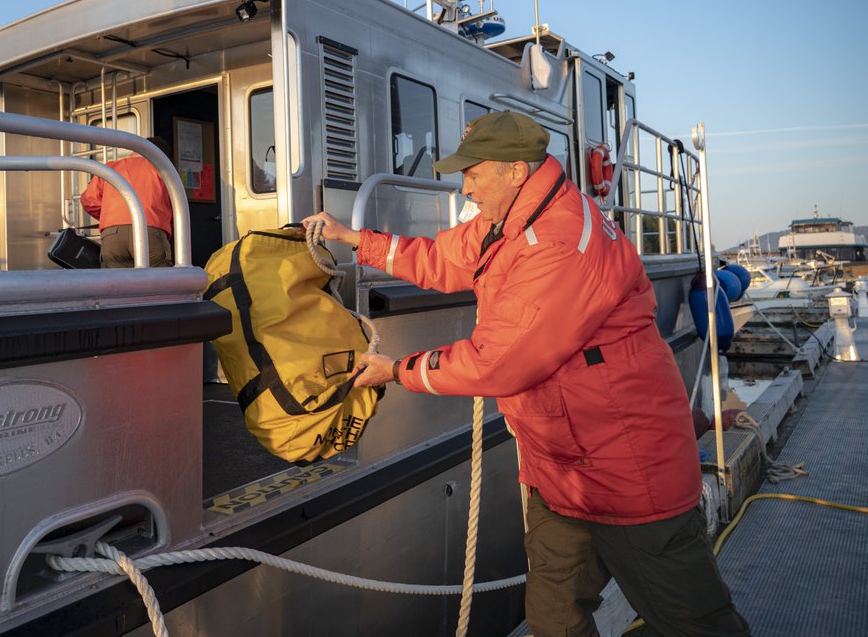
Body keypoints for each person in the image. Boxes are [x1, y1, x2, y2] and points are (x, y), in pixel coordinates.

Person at [303, 111, 749, 637]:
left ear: (516, 171)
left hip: (629, 475)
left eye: (473, 172)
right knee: (554, 620)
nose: (463, 185)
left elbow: (498, 361)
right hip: (562, 473)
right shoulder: (516, 218)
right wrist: (355, 238)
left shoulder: (558, 242)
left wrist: (397, 370)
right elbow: (441, 258)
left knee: (696, 625)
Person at [80, 136, 174, 268]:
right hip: (150, 232)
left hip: (113, 235)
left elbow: (89, 201)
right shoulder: (163, 169)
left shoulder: (110, 168)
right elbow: (176, 205)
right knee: (157, 284)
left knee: (116, 285)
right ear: (161, 154)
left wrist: (112, 215)